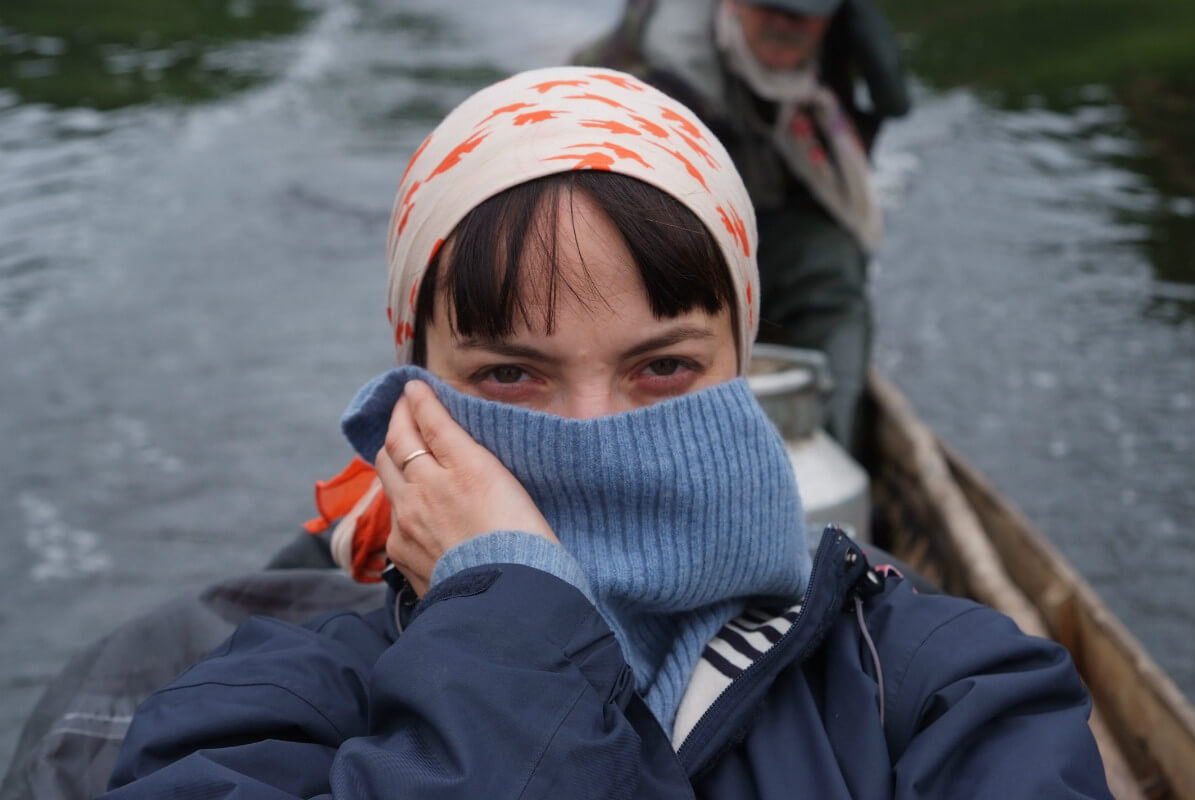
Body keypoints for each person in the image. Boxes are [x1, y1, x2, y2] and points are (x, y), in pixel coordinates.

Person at [101, 66, 1111, 799]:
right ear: (416, 386)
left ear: (741, 362)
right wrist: (513, 613)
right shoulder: (260, 710)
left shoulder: (953, 687)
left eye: (663, 365)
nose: (593, 433)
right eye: (510, 374)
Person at [574, 0, 910, 452]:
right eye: (769, 6)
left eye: (804, 13)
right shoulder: (661, 75)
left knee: (836, 279)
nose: (784, 24)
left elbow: (894, 101)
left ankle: (824, 448)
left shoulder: (841, 46)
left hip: (778, 221)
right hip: (670, 222)